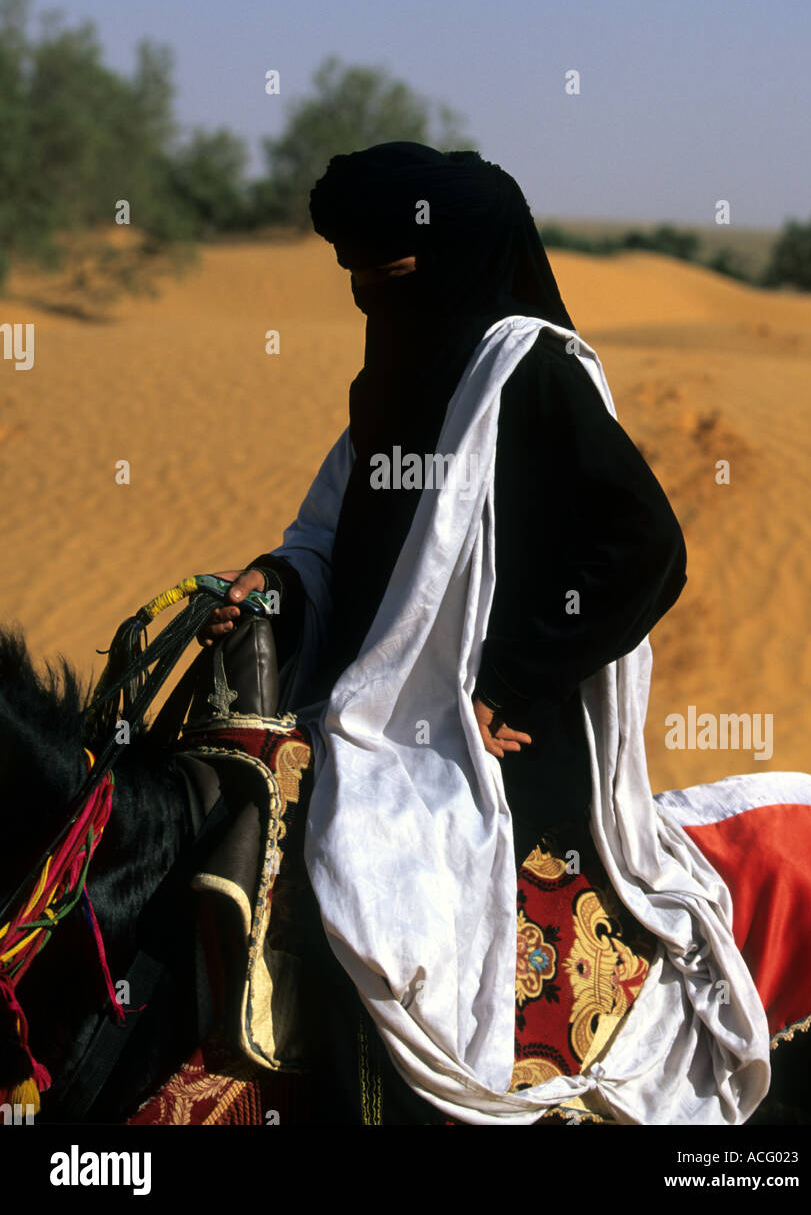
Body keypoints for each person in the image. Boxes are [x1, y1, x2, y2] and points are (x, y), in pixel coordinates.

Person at [197, 142, 694, 1123]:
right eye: (354, 277)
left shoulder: (533, 372)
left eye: (392, 273)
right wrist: (278, 579)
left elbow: (646, 550)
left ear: (460, 256)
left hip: (509, 729)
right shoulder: (389, 382)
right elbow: (331, 536)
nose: (371, 297)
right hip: (373, 707)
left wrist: (510, 680)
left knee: (369, 870)